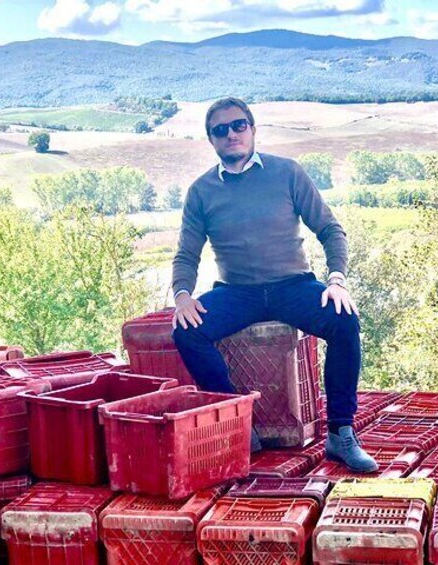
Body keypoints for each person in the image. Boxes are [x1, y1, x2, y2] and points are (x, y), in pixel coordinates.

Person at [170, 97, 377, 473]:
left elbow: (331, 230)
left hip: (292, 286)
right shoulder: (202, 191)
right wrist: (182, 295)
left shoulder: (287, 173)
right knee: (186, 331)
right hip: (237, 292)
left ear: (252, 129)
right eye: (221, 130)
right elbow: (187, 254)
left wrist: (337, 280)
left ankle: (340, 432)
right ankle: (239, 424)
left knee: (344, 321)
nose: (231, 134)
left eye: (238, 125)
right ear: (211, 140)